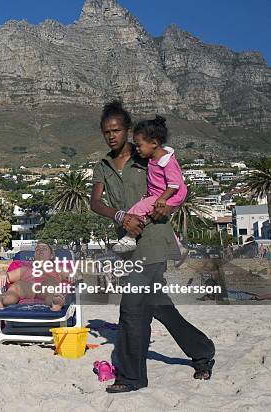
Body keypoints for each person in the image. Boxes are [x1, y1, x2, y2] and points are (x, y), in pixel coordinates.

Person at [90, 100, 215, 393]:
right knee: (160, 307)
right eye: (106, 131)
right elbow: (95, 202)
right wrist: (119, 215)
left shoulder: (147, 155)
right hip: (128, 244)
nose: (111, 136)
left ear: (128, 130)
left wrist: (168, 208)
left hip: (155, 240)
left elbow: (177, 186)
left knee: (131, 307)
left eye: (117, 130)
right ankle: (203, 351)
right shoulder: (102, 166)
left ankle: (132, 377)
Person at [112, 116, 187, 260]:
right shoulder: (154, 157)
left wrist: (162, 199)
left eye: (139, 145)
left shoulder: (167, 161)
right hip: (160, 194)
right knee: (159, 221)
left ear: (154, 143)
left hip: (169, 195)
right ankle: (178, 248)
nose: (137, 149)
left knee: (136, 210)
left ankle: (130, 238)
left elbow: (174, 184)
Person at [0, 243, 69, 311]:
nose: (40, 251)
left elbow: (74, 274)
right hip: (28, 288)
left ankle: (55, 303)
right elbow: (7, 275)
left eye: (44, 249)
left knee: (51, 286)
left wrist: (77, 275)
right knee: (16, 287)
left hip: (47, 288)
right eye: (37, 249)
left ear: (51, 256)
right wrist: (3, 273)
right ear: (34, 256)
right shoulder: (25, 269)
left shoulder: (58, 269)